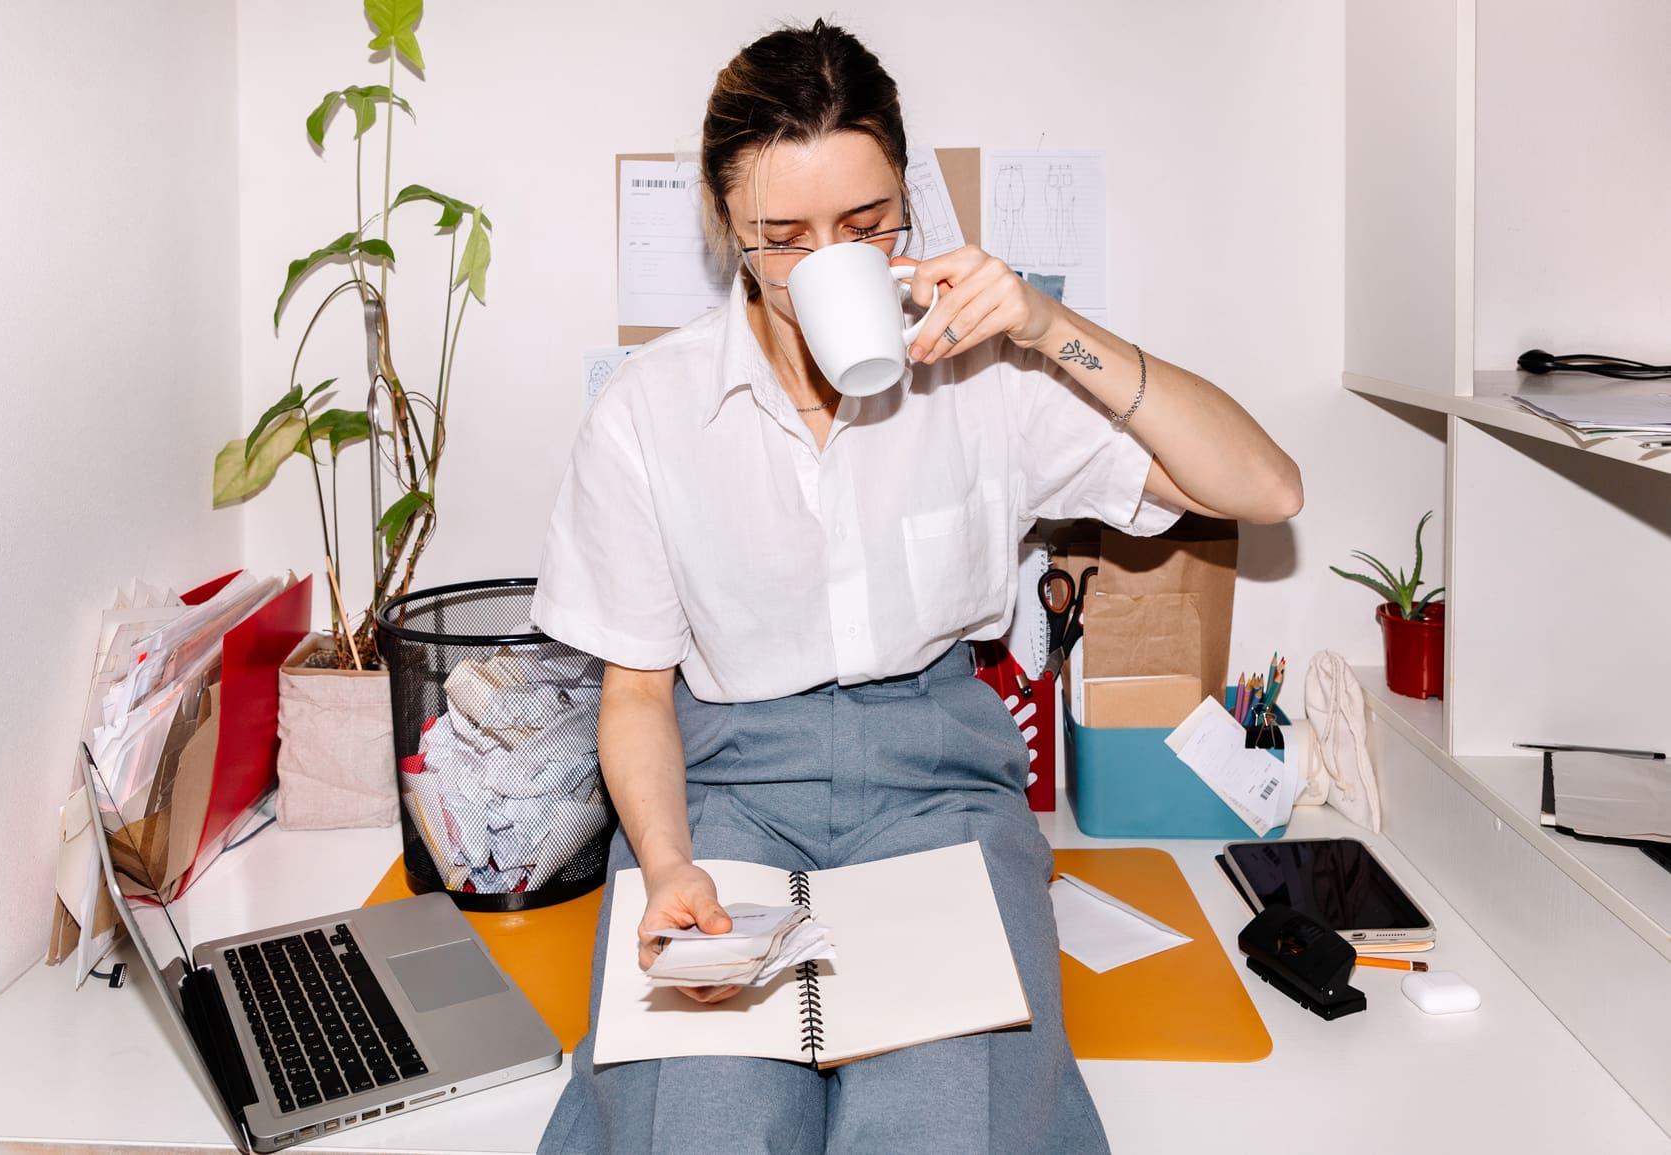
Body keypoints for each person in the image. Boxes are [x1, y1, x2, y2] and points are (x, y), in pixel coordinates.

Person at [532, 19, 1302, 1155]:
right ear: (725, 226)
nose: (823, 263)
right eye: (782, 238)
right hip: (724, 787)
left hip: (937, 785)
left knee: (943, 1119)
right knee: (703, 1118)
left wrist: (1048, 324)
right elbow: (636, 692)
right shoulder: (647, 411)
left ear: (907, 199)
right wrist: (667, 862)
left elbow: (1264, 487)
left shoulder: (984, 375)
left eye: (863, 226)